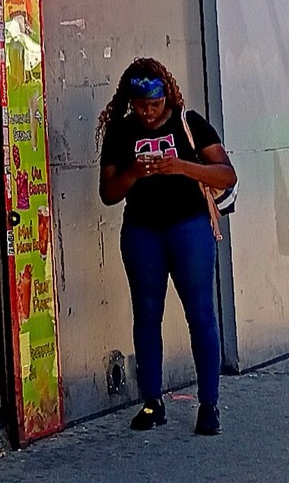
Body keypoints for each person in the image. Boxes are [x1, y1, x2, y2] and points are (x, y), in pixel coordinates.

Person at [97, 58, 236, 437]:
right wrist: (134, 173)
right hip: (143, 231)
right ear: (131, 100)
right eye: (141, 105)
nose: (148, 112)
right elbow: (108, 193)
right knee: (146, 315)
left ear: (167, 97)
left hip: (189, 227)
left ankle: (209, 404)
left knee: (201, 314)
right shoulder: (121, 132)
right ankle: (152, 401)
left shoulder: (189, 123)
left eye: (155, 105)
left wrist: (182, 167)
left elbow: (226, 174)